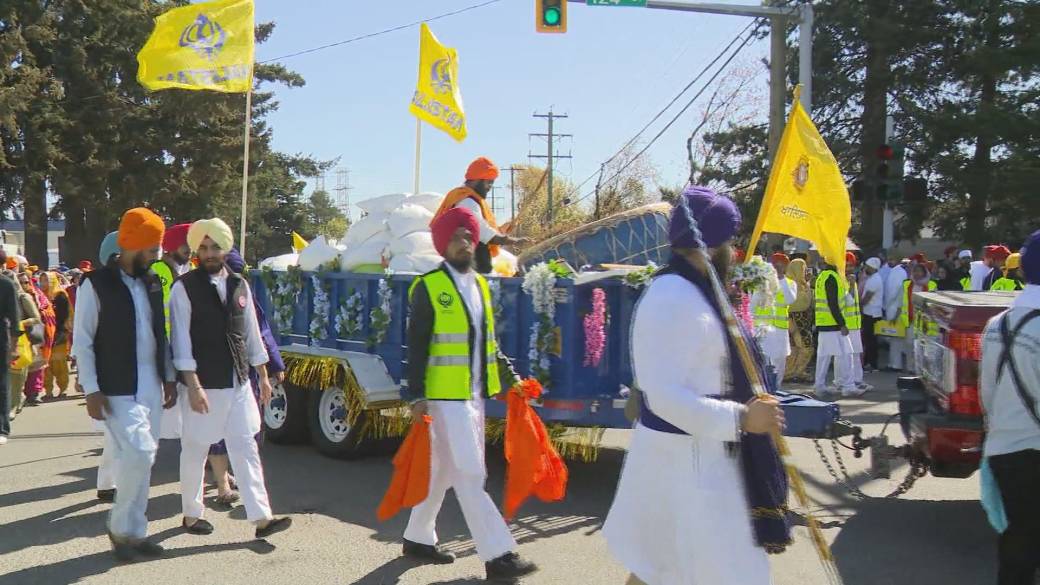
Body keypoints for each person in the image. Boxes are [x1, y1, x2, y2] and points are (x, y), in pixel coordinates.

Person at [603, 186, 788, 585]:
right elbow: (664, 397)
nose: (734, 252)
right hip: (686, 464)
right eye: (730, 241)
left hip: (700, 458)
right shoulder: (671, 297)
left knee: (662, 570)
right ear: (713, 244)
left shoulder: (696, 291)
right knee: (716, 572)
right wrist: (743, 418)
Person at [400, 207, 537, 580]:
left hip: (472, 397)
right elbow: (417, 346)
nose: (464, 243)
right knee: (471, 473)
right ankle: (499, 555)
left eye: (468, 236)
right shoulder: (429, 286)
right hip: (443, 399)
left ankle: (417, 537)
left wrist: (511, 379)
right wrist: (416, 396)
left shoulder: (479, 285)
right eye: (457, 237)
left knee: (443, 471)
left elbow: (488, 344)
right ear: (443, 244)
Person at [170, 218, 291, 539]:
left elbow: (251, 334)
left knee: (245, 447)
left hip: (238, 382)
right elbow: (180, 341)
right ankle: (192, 514)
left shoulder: (240, 285)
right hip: (202, 384)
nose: (210, 253)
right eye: (204, 248)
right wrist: (192, 385)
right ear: (196, 251)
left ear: (225, 249)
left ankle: (262, 518)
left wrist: (262, 375)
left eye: (215, 247)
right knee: (195, 449)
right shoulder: (183, 288)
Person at [72, 208, 177, 560]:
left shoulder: (152, 281)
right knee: (139, 452)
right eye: (152, 248)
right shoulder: (95, 284)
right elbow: (83, 341)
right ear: (133, 244)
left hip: (151, 383)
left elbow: (159, 332)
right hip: (115, 387)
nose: (156, 255)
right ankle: (119, 528)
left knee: (145, 460)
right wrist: (90, 388)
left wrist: (169, 376)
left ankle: (135, 533)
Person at [979, 229, 1040, 585]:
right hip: (1035, 448)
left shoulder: (996, 324)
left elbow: (988, 393)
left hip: (1005, 450)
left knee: (1018, 542)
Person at [205, 248, 286, 508]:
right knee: (216, 430)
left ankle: (246, 488)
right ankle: (222, 485)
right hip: (214, 374)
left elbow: (259, 332)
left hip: (243, 373)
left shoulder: (244, 293)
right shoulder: (199, 293)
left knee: (247, 430)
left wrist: (271, 367)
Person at [430, 157, 527, 274]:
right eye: (488, 182)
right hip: (471, 267)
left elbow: (482, 229)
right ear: (476, 180)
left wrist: (501, 231)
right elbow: (483, 233)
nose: (490, 187)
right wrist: (513, 241)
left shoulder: (463, 197)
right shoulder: (467, 201)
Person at [152, 223, 192, 443]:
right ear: (173, 246)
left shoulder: (187, 269)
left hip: (182, 344)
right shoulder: (159, 270)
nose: (190, 251)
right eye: (186, 246)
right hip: (164, 346)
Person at [91, 231, 122, 503]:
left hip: (131, 372)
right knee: (115, 433)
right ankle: (108, 484)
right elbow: (86, 336)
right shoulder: (95, 286)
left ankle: (109, 483)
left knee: (118, 434)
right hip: (109, 370)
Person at [814, 258, 859, 397]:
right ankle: (848, 387)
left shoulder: (824, 276)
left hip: (825, 324)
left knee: (824, 357)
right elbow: (832, 303)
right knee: (846, 354)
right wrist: (842, 324)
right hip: (833, 324)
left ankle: (820, 386)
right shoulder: (832, 277)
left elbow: (843, 300)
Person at [751, 253, 794, 388]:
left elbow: (790, 299)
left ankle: (776, 390)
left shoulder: (790, 283)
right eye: (775, 265)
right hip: (764, 330)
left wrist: (781, 279)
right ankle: (765, 390)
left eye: (781, 266)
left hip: (780, 330)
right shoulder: (760, 282)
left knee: (780, 362)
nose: (777, 268)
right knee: (764, 362)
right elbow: (752, 305)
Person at [9, 271, 42, 421]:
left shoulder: (23, 297)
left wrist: (20, 323)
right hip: (5, 338)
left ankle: (13, 406)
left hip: (22, 340)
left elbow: (36, 318)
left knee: (17, 374)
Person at [899, 263, 938, 372]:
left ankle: (924, 370)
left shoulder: (932, 285)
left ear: (925, 272)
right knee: (910, 344)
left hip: (925, 321)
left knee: (924, 347)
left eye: (919, 271)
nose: (917, 273)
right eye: (915, 271)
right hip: (911, 320)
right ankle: (911, 368)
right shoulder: (907, 284)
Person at [40, 272, 72, 399]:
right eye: (41, 280)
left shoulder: (60, 296)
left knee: (59, 363)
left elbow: (63, 316)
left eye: (46, 280)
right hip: (45, 334)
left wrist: (56, 331)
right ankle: (48, 391)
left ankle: (63, 389)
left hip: (59, 334)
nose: (43, 283)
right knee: (46, 364)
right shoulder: (40, 296)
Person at [843, 253, 872, 392]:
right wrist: (850, 285)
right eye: (847, 265)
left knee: (856, 353)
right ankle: (846, 382)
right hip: (846, 325)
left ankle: (857, 380)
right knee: (847, 356)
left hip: (854, 324)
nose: (849, 268)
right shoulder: (843, 281)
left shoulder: (853, 280)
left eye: (851, 266)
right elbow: (847, 301)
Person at [783, 258, 815, 383]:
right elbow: (802, 303)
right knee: (806, 346)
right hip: (798, 321)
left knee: (794, 347)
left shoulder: (793, 283)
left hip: (793, 321)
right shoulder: (794, 285)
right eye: (803, 269)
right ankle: (797, 372)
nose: (805, 271)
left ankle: (790, 372)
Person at [0, 265, 19, 446]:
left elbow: (14, 319)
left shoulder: (6, 285)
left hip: (1, 342)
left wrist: (14, 347)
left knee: (2, 386)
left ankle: (2, 428)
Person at [883, 256, 910, 371]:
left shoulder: (897, 272)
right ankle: (895, 363)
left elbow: (893, 292)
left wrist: (886, 306)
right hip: (897, 308)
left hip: (895, 309)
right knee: (896, 339)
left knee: (895, 339)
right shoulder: (899, 272)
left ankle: (895, 364)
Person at [860, 257, 884, 373]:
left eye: (868, 267)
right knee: (869, 339)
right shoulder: (872, 278)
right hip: (870, 312)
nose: (866, 268)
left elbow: (867, 298)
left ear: (873, 268)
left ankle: (872, 364)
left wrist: (858, 305)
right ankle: (869, 362)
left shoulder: (875, 280)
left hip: (872, 314)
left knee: (871, 340)